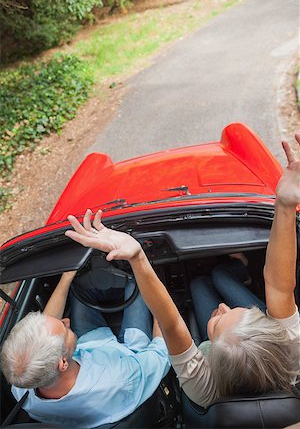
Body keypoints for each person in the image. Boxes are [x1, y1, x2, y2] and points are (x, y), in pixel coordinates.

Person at [63, 134, 300, 408]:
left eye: (216, 323)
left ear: (214, 361)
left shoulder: (205, 388)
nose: (222, 307)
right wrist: (284, 205)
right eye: (241, 311)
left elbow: (173, 324)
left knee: (201, 285)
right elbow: (280, 286)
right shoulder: (292, 347)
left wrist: (140, 257)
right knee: (200, 285)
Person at [0, 269, 170, 427]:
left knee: (79, 286)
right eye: (64, 329)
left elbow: (47, 324)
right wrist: (160, 305)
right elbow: (161, 352)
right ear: (62, 363)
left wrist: (67, 278)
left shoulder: (22, 383)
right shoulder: (121, 380)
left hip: (90, 343)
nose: (66, 321)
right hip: (129, 354)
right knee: (140, 282)